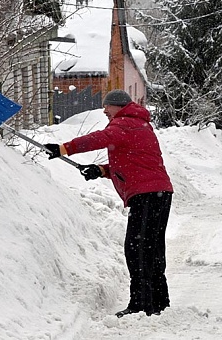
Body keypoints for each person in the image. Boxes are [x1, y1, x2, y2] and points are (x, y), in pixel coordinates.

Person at [44, 89, 174, 318]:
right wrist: (101, 170)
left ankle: (141, 305)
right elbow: (133, 161)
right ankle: (158, 302)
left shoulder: (123, 123)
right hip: (158, 193)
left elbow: (98, 139)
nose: (104, 110)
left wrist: (64, 148)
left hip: (147, 195)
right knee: (152, 249)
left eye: (107, 106)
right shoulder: (138, 125)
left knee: (138, 250)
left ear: (119, 106)